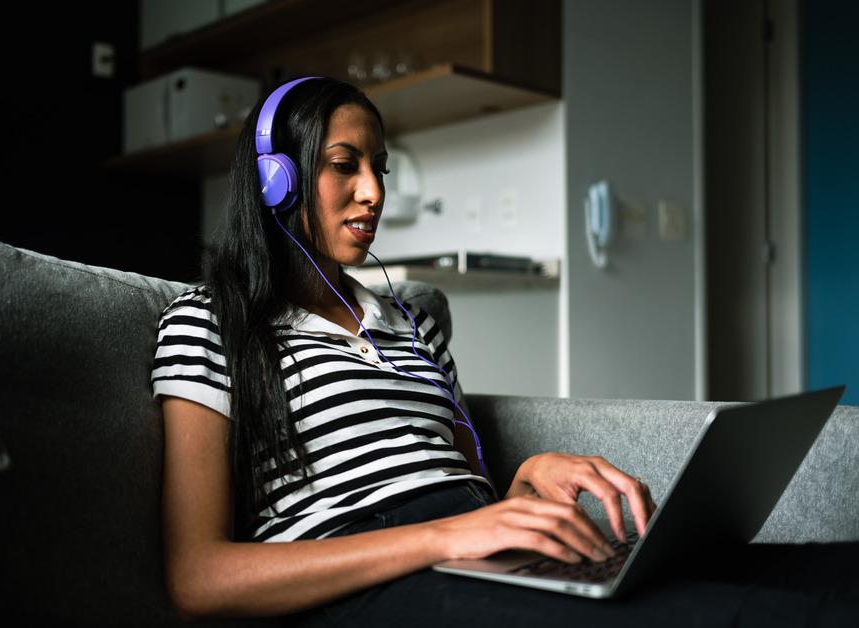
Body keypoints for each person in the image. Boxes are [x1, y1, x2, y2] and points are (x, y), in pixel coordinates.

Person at [151, 77, 859, 627]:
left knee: (832, 577)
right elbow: (199, 581)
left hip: (477, 568)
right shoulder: (212, 322)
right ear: (278, 178)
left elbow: (467, 492)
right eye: (344, 165)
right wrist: (444, 538)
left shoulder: (410, 323)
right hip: (364, 592)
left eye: (380, 167)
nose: (372, 193)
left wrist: (520, 485)